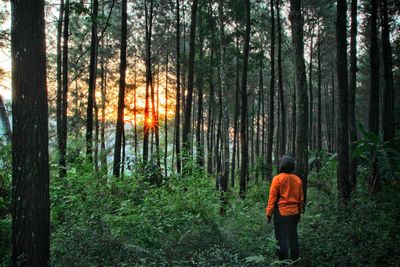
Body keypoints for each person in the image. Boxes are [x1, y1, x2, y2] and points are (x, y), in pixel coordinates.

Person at [265, 155, 304, 263]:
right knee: (293, 237)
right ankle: (295, 261)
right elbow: (301, 200)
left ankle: (283, 263)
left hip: (281, 214)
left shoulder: (277, 179)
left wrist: (269, 215)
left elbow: (272, 199)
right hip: (295, 213)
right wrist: (299, 214)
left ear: (281, 165)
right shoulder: (298, 180)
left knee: (281, 239)